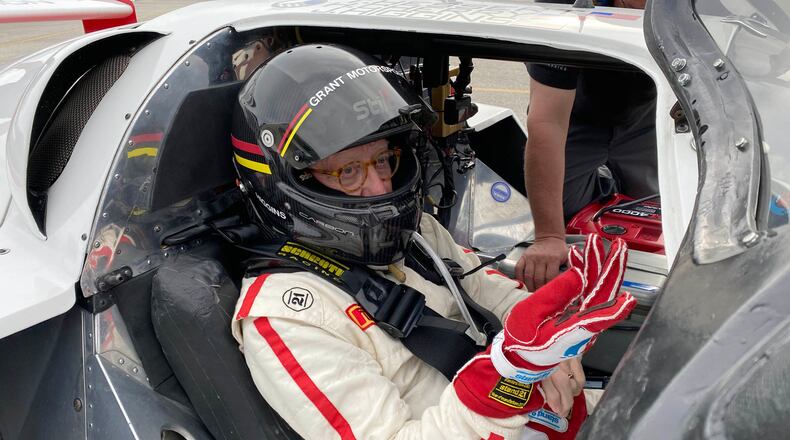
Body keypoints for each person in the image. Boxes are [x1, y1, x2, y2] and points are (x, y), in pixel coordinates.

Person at [229, 43, 636, 440]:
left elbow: (496, 298)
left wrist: (555, 348)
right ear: (288, 183)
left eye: (383, 160)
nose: (378, 187)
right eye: (348, 171)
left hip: (543, 415)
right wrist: (506, 381)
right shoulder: (286, 317)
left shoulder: (417, 232)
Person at [516, 0, 657, 291]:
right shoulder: (563, 9)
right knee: (562, 213)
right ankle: (603, 184)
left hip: (646, 111)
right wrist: (548, 238)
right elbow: (547, 123)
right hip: (575, 112)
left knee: (653, 214)